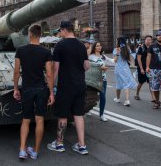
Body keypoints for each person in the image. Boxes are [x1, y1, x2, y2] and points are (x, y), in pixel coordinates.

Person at [47, 21, 90, 155]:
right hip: (80, 85)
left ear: (65, 30)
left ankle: (59, 144)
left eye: (60, 31)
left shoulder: (60, 45)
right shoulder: (81, 45)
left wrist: (52, 87)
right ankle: (82, 146)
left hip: (66, 86)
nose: (59, 33)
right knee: (78, 114)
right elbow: (87, 66)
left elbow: (55, 68)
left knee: (63, 115)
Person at [13, 24, 54, 160]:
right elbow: (49, 74)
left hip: (27, 88)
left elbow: (16, 71)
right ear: (40, 35)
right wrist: (52, 93)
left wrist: (15, 88)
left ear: (30, 34)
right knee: (39, 119)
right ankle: (35, 151)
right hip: (42, 89)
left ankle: (22, 150)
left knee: (26, 120)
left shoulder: (21, 50)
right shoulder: (46, 52)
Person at [89, 42, 115, 122]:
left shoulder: (103, 57)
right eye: (97, 46)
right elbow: (88, 66)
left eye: (100, 45)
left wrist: (117, 54)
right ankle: (88, 108)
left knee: (102, 96)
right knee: (91, 96)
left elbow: (112, 62)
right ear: (94, 47)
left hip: (102, 79)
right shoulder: (90, 56)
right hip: (93, 79)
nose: (99, 47)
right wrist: (100, 68)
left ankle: (102, 114)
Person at [113, 36, 137, 106]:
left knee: (118, 83)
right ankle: (127, 100)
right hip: (126, 68)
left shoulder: (116, 49)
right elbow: (130, 59)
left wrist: (117, 53)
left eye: (117, 41)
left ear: (118, 42)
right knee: (126, 84)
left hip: (118, 68)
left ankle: (117, 98)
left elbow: (115, 60)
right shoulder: (127, 49)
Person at [134, 35, 156, 102]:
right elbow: (138, 59)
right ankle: (137, 94)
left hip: (150, 68)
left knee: (150, 82)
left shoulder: (152, 48)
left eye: (150, 40)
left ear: (151, 41)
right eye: (147, 40)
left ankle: (153, 98)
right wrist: (141, 69)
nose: (148, 41)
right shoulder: (141, 48)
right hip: (142, 67)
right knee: (141, 82)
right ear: (145, 40)